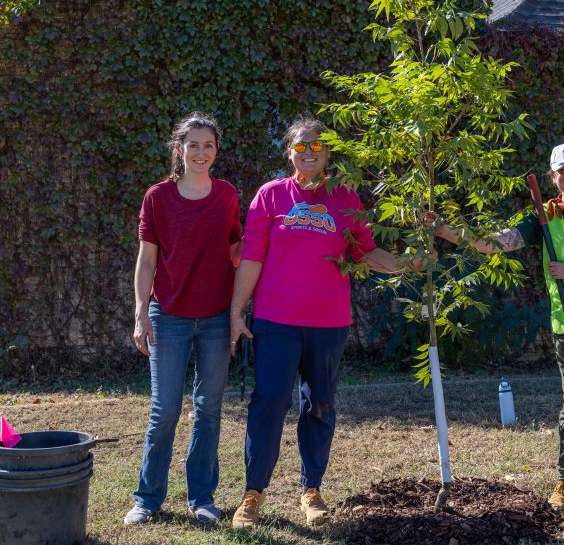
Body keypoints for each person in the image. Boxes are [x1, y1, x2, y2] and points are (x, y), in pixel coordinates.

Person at [229, 116, 417, 530]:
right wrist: (236, 311)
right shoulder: (271, 195)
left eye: (317, 146)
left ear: (328, 152)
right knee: (269, 401)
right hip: (276, 320)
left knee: (320, 404)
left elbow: (365, 252)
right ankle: (253, 492)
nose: (309, 152)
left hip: (328, 323)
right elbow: (253, 255)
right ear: (290, 153)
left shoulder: (345, 197)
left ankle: (311, 489)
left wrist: (409, 264)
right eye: (301, 146)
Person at [432, 142, 564, 511]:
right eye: (563, 171)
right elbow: (495, 243)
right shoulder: (543, 217)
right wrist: (446, 230)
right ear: (552, 177)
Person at [126, 112, 242, 525]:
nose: (200, 152)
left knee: (208, 409)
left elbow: (237, 251)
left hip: (215, 317)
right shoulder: (157, 197)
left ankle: (202, 498)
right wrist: (140, 312)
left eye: (208, 145)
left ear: (216, 151)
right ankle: (147, 499)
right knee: (165, 409)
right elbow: (146, 261)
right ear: (179, 149)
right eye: (193, 145)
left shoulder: (227, 195)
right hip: (168, 315)